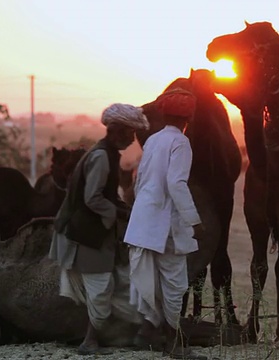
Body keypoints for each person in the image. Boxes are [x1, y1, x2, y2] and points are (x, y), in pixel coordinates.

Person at [49, 103, 149, 355]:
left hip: (93, 234)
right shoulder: (102, 157)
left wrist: (126, 211)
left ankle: (136, 333)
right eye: (129, 133)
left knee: (119, 283)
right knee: (101, 289)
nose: (132, 139)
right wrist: (118, 214)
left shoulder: (105, 154)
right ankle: (89, 342)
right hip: (87, 236)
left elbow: (104, 196)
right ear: (116, 130)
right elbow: (92, 198)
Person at [124, 88, 207, 360]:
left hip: (144, 222)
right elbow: (176, 183)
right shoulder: (181, 143)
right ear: (190, 118)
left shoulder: (153, 141)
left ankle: (147, 334)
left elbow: (140, 180)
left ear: (163, 114)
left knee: (152, 281)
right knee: (175, 284)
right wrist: (194, 220)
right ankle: (174, 344)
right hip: (166, 225)